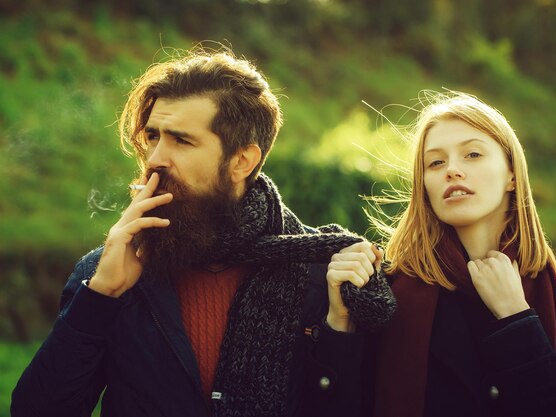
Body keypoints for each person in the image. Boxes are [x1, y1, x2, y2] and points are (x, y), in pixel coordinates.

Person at [11, 48, 395, 417]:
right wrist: (100, 296)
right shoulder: (108, 271)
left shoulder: (317, 274)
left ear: (242, 161)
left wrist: (338, 331)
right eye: (153, 137)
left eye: (181, 140)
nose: (157, 158)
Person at [357, 91, 556, 417]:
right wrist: (337, 324)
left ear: (512, 175)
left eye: (472, 154)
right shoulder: (386, 293)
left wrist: (516, 317)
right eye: (436, 162)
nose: (452, 170)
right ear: (425, 187)